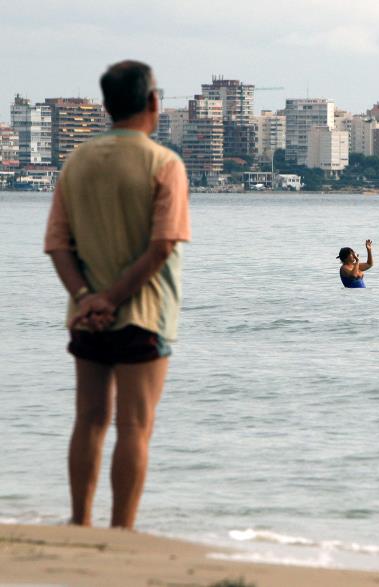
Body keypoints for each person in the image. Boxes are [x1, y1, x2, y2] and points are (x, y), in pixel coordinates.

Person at [43, 61, 190, 529]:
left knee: (88, 420)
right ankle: (122, 529)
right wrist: (114, 299)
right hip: (143, 315)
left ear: (106, 106)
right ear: (152, 101)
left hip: (86, 317)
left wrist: (89, 299)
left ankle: (79, 521)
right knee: (134, 426)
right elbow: (162, 246)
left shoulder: (76, 161)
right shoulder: (164, 163)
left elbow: (57, 245)